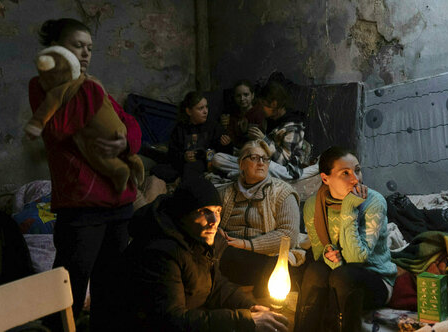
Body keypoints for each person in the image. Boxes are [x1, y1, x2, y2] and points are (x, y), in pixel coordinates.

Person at [28, 18, 141, 329]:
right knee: (69, 287)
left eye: (89, 47)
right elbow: (59, 128)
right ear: (56, 50)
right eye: (78, 46)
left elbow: (127, 120)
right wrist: (88, 90)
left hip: (119, 203)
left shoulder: (92, 86)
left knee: (112, 285)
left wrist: (126, 142)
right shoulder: (44, 87)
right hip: (81, 207)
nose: (86, 53)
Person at [109, 176, 289, 332]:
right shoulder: (160, 252)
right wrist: (243, 319)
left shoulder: (200, 238)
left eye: (218, 211)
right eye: (205, 212)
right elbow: (172, 321)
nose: (214, 221)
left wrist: (250, 307)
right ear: (184, 214)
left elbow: (213, 285)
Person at [294, 146, 397, 332]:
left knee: (343, 276)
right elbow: (319, 253)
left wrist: (349, 208)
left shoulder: (374, 202)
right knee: (314, 270)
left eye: (357, 170)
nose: (355, 179)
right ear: (325, 179)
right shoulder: (313, 206)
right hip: (336, 272)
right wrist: (329, 255)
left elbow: (358, 258)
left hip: (374, 278)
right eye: (345, 173)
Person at [217, 139, 307, 299]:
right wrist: (218, 233)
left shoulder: (282, 193)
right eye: (254, 158)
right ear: (241, 164)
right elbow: (210, 224)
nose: (261, 163)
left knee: (277, 269)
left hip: (267, 256)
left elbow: (288, 236)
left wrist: (246, 244)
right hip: (230, 253)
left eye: (265, 159)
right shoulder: (226, 193)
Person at [212, 80, 318, 181]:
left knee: (267, 167)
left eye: (263, 104)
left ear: (274, 104)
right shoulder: (268, 120)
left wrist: (264, 139)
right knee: (218, 158)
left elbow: (284, 161)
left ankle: (244, 174)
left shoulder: (293, 126)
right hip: (262, 161)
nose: (261, 108)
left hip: (283, 169)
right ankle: (246, 173)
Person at [153, 91, 232, 182]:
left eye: (206, 107)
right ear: (189, 111)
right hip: (185, 166)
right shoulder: (180, 129)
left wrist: (226, 144)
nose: (205, 111)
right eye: (200, 108)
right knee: (157, 170)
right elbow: (172, 154)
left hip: (207, 166)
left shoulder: (213, 126)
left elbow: (225, 154)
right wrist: (184, 157)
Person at [224, 79, 266, 149]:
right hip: (237, 151)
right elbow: (231, 138)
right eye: (238, 96)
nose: (242, 99)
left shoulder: (259, 113)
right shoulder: (233, 115)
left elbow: (260, 138)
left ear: (252, 95)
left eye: (246, 95)